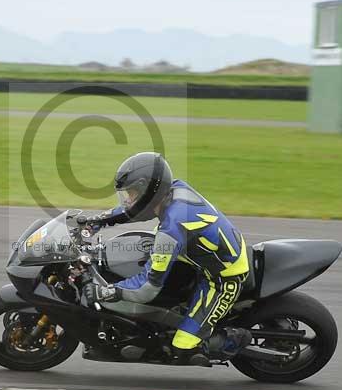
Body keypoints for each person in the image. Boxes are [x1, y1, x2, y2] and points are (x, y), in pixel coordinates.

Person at [84, 152, 251, 366]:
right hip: (197, 253)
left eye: (132, 193)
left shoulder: (172, 227)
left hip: (222, 277)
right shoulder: (172, 190)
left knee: (183, 346)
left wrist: (107, 291)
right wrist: (99, 220)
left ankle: (234, 339)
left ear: (148, 190)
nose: (128, 199)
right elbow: (138, 211)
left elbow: (146, 289)